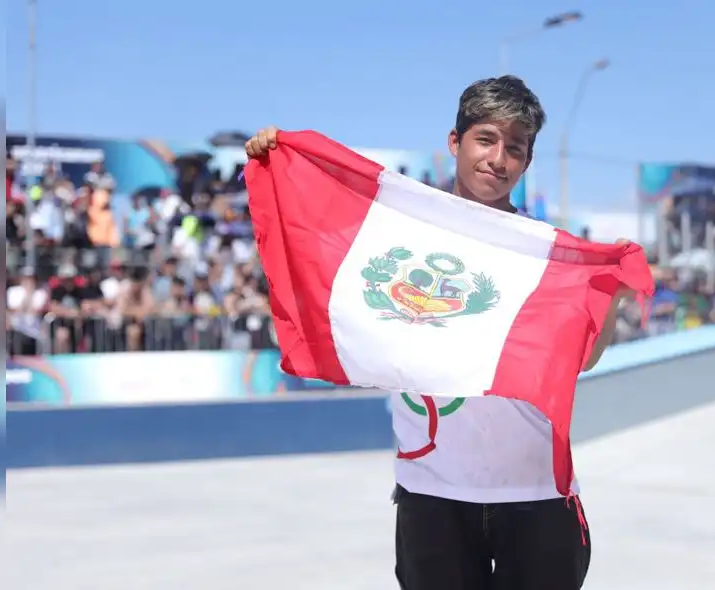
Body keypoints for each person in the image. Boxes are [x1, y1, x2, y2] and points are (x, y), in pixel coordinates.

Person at [245, 75, 635, 590]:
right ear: (455, 142)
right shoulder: (400, 229)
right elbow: (317, 236)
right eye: (485, 139)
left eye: (514, 148)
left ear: (527, 161)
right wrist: (280, 158)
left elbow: (581, 359)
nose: (498, 159)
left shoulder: (542, 251)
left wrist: (612, 296)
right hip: (432, 494)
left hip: (534, 493)